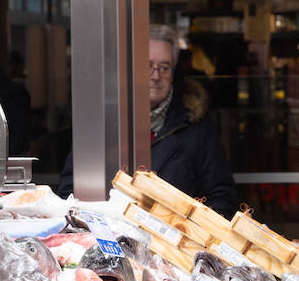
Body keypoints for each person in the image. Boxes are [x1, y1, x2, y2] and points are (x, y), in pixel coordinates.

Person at [58, 25, 238, 217]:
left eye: (164, 67)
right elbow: (70, 190)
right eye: (148, 65)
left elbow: (222, 197)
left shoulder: (197, 126)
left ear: (174, 73)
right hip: (107, 241)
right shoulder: (101, 124)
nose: (156, 76)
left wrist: (188, 231)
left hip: (172, 242)